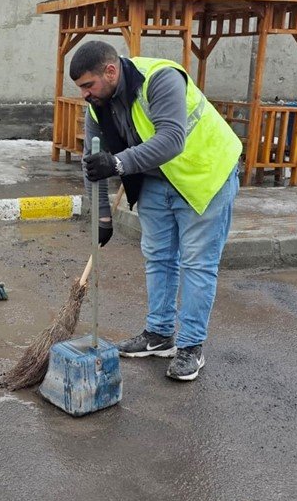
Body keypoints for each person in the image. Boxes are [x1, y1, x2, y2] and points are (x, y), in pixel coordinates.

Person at [70, 40, 240, 382]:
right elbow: (93, 165)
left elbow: (172, 138)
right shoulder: (97, 107)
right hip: (155, 180)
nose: (85, 94)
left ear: (111, 70)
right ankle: (159, 334)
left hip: (205, 173)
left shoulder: (160, 79)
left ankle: (191, 347)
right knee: (158, 256)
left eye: (88, 85)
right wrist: (102, 218)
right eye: (81, 88)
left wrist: (117, 163)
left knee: (196, 262)